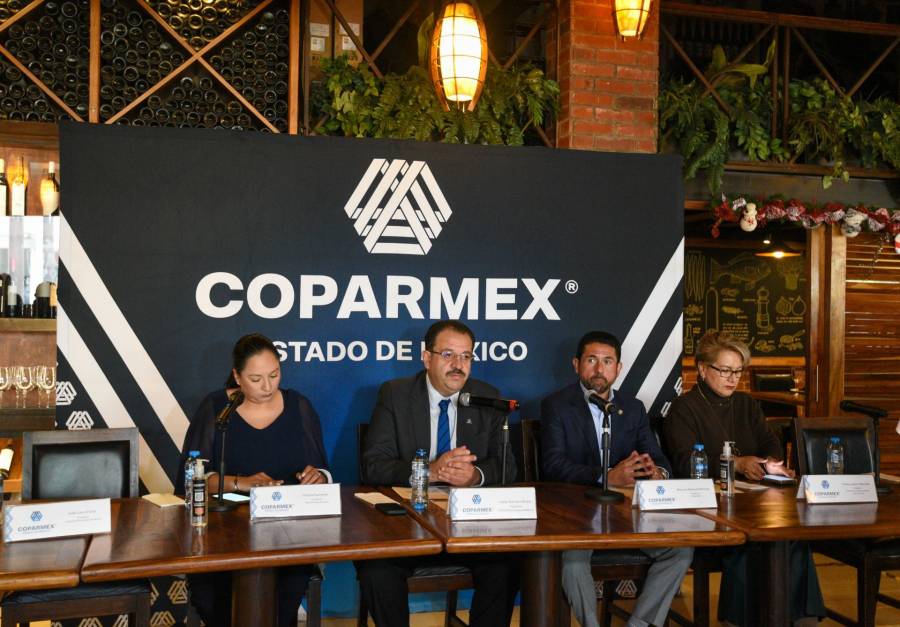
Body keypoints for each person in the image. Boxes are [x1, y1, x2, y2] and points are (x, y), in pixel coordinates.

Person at [356, 319, 519, 627]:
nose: (458, 365)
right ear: (426, 358)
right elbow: (373, 465)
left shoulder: (487, 398)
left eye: (466, 356)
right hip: (407, 524)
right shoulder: (396, 395)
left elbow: (507, 466)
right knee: (376, 568)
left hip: (468, 526)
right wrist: (429, 471)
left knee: (507, 564)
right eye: (448, 355)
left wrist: (474, 476)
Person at [663, 330, 825, 627]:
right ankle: (741, 621)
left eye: (738, 371)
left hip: (754, 502)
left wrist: (768, 464)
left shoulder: (746, 404)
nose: (733, 378)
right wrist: (736, 463)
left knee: (792, 538)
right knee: (750, 541)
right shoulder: (684, 408)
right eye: (725, 370)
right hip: (708, 507)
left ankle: (801, 619)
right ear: (702, 369)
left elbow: (771, 443)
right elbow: (685, 463)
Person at [541, 330, 692, 627]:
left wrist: (656, 472)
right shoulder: (556, 405)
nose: (600, 369)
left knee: (680, 550)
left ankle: (639, 625)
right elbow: (553, 465)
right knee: (572, 560)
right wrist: (605, 477)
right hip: (577, 513)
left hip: (627, 514)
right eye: (592, 360)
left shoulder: (633, 407)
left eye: (608, 361)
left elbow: (659, 459)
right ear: (576, 364)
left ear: (619, 368)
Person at [180, 333, 331, 627]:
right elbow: (192, 479)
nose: (267, 386)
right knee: (211, 592)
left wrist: (318, 477)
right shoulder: (217, 409)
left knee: (284, 590)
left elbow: (322, 469)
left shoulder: (299, 405)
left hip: (286, 532)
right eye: (256, 379)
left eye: (274, 375)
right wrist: (242, 483)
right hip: (223, 531)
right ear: (237, 376)